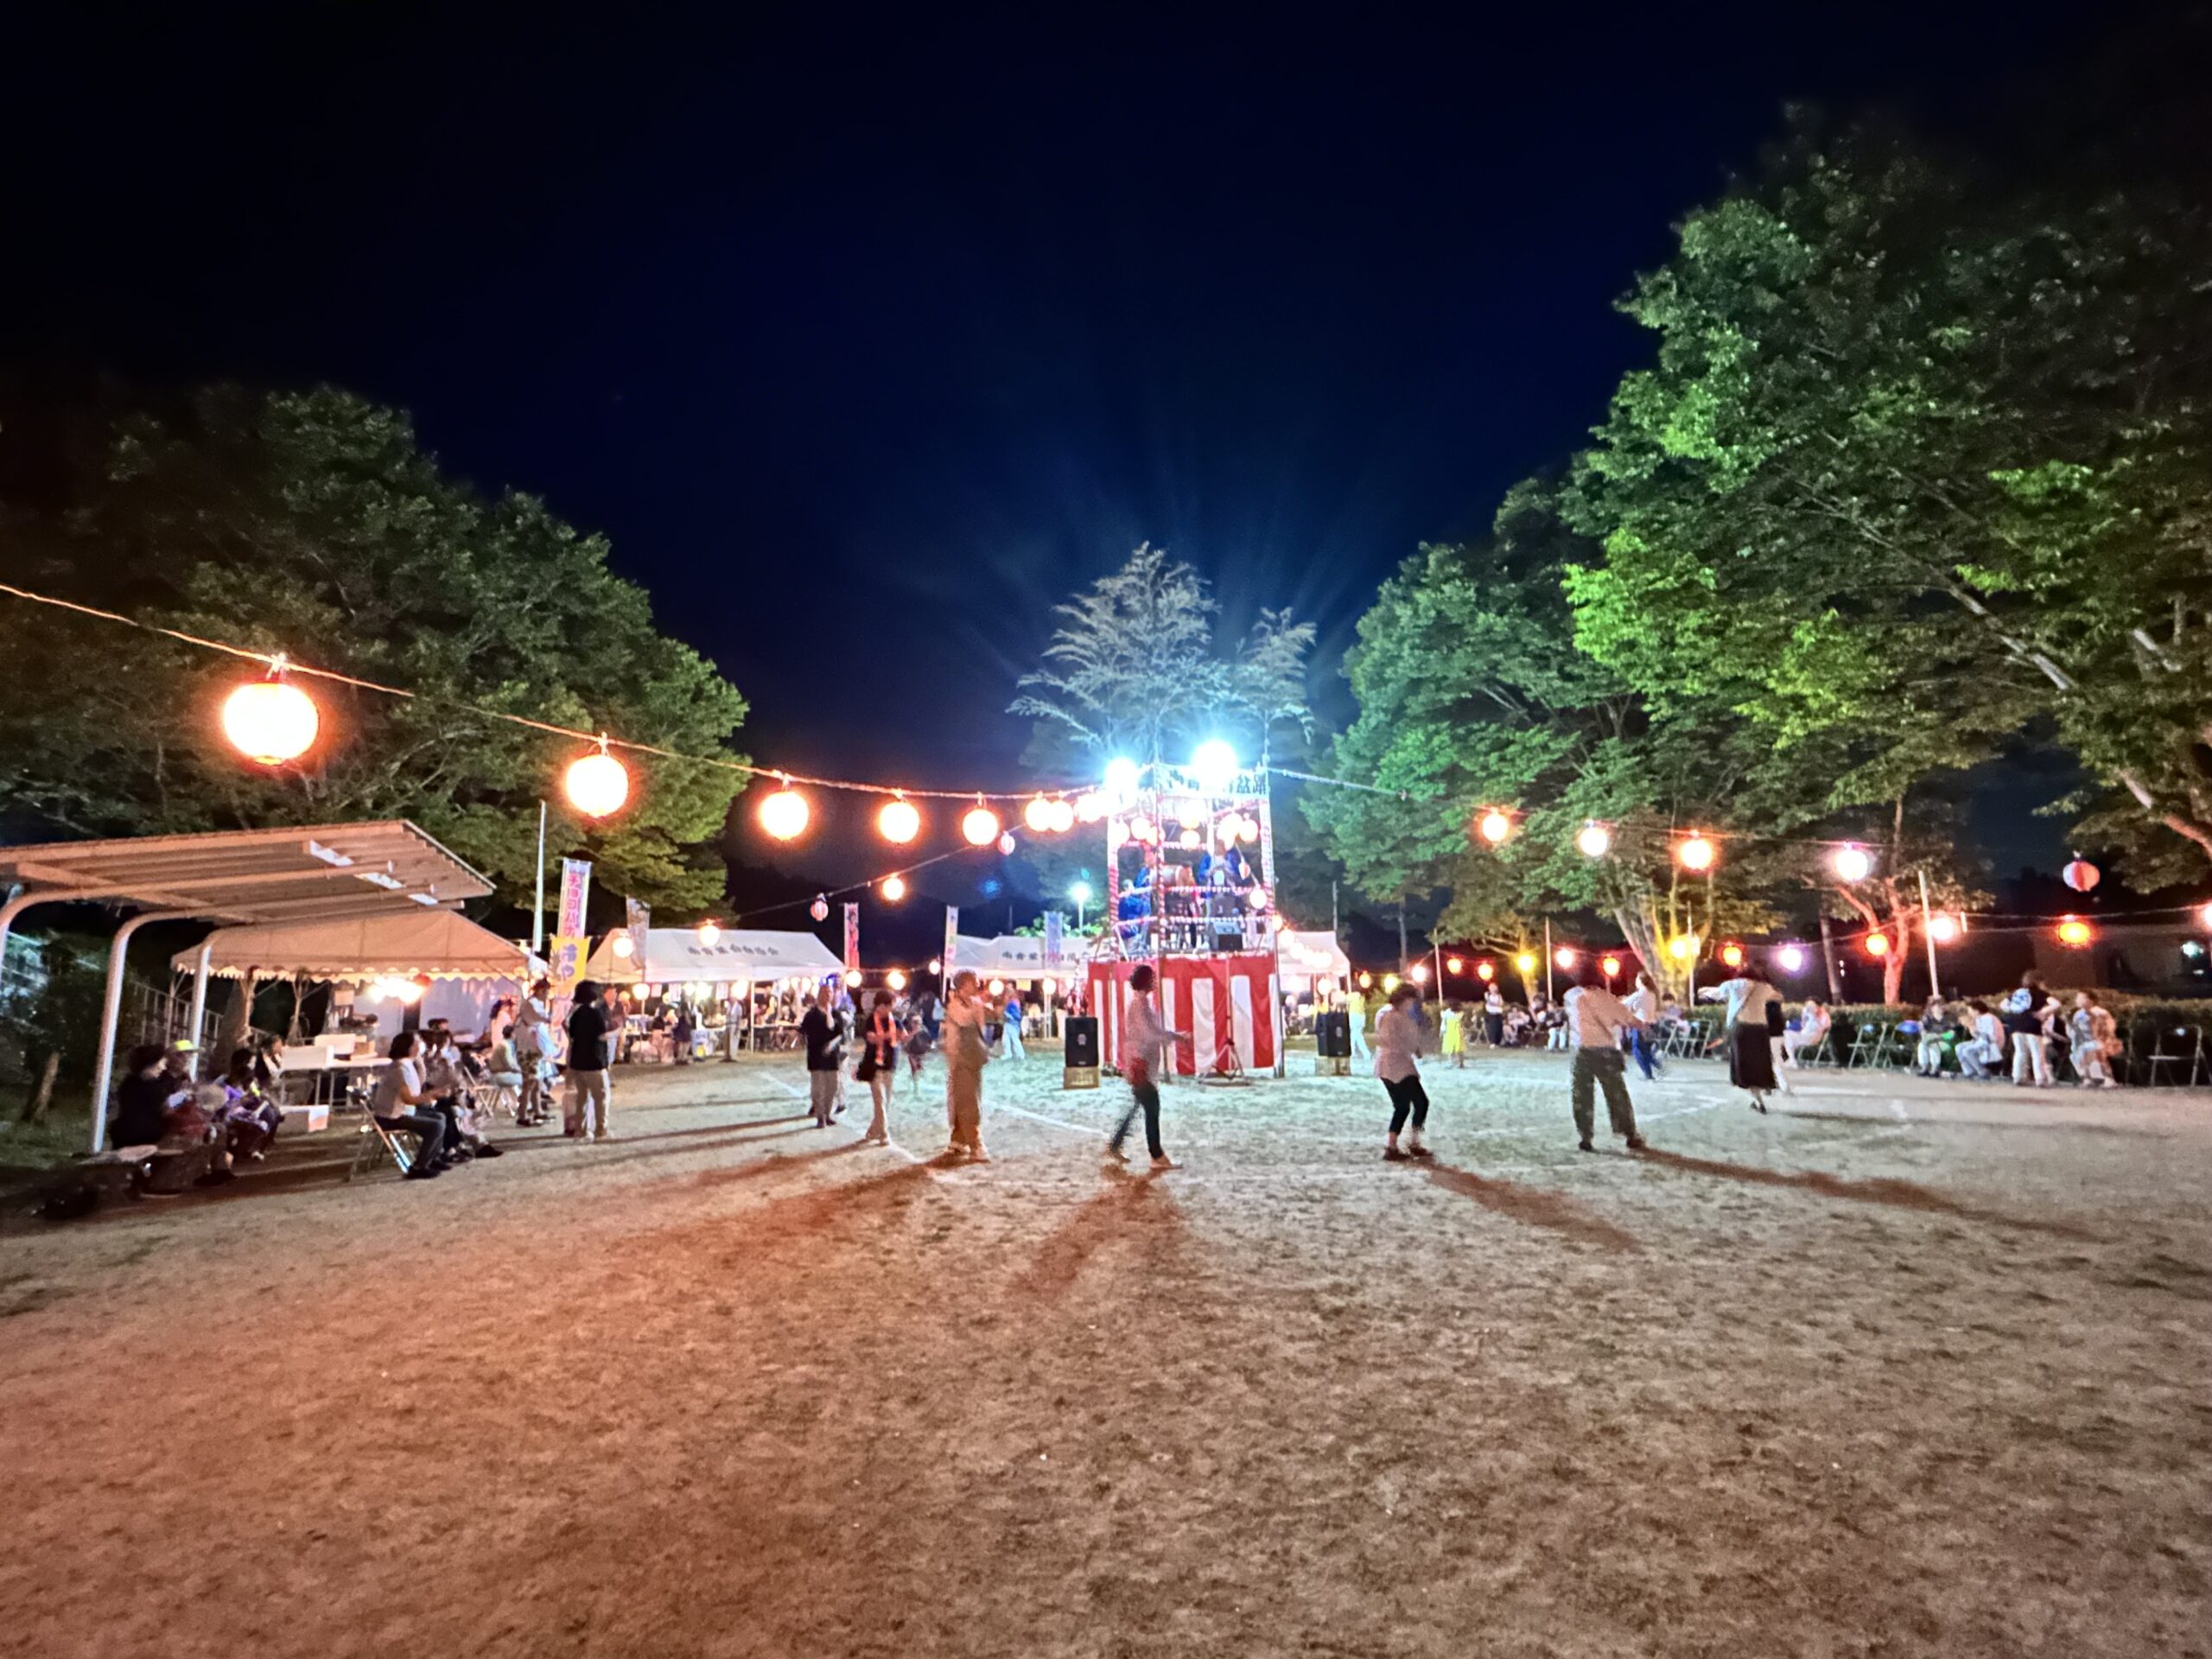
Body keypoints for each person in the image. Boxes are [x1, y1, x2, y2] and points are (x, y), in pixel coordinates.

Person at [1109, 963, 1185, 1169]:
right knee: (1152, 1107)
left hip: (1141, 1061)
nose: (1155, 982)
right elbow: (1149, 1034)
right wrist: (1173, 1037)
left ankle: (1116, 1145)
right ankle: (1156, 1155)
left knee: (1140, 1104)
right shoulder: (1139, 1006)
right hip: (1140, 1062)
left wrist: (1174, 1036)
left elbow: (1152, 1032)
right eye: (1152, 978)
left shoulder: (1141, 1004)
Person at [1563, 969, 1647, 1152]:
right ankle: (1630, 1134)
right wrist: (1644, 1024)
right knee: (1616, 1094)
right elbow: (1628, 1019)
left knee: (1581, 1095)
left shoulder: (1571, 996)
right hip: (1605, 1051)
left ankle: (1585, 1136)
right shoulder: (1607, 999)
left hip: (1581, 1051)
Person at [371, 1031, 448, 1178]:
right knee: (436, 1126)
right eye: (417, 1043)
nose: (421, 1046)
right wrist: (430, 1096)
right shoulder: (399, 1069)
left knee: (440, 1117)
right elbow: (408, 1099)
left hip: (401, 1112)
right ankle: (419, 1166)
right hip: (391, 1117)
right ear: (409, 1047)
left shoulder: (406, 1065)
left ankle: (433, 1159)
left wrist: (421, 1065)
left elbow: (417, 1087)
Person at [1374, 982, 1436, 1161]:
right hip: (1396, 1065)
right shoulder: (1392, 1016)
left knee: (1403, 1106)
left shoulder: (1391, 1015)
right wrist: (1412, 1047)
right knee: (1419, 1103)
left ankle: (1395, 1145)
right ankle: (1410, 1143)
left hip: (1391, 1064)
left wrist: (1415, 1048)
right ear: (1405, 999)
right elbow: (1392, 1039)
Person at [940, 970, 993, 1161]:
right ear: (963, 986)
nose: (977, 985)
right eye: (973, 982)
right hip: (960, 1059)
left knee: (966, 1098)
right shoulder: (955, 1004)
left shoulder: (973, 1003)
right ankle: (975, 1144)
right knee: (968, 1101)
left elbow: (983, 1023)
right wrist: (980, 1007)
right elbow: (964, 1019)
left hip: (973, 1057)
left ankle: (958, 1140)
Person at [1719, 962, 1784, 1113]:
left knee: (1745, 1067)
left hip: (1743, 1028)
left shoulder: (1736, 984)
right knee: (1760, 1063)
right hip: (1761, 1029)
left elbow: (1718, 992)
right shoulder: (1765, 987)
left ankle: (1757, 1100)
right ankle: (1764, 1088)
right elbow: (1779, 997)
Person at [563, 981, 614, 1140]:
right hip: (594, 1061)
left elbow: (571, 1034)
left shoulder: (576, 1014)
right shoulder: (595, 1014)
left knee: (582, 1099)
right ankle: (601, 1131)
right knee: (601, 1098)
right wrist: (615, 1032)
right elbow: (602, 1035)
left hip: (578, 1062)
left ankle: (581, 1131)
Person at [111, 1043, 184, 1147]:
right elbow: (165, 1107)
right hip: (142, 1141)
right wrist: (184, 1095)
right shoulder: (150, 1088)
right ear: (151, 1064)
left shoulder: (128, 1083)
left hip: (125, 1137)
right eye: (161, 1063)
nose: (163, 1068)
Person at [798, 983, 845, 1129]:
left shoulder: (835, 1014)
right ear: (819, 995)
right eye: (824, 992)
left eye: (830, 992)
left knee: (833, 1086)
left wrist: (832, 1045)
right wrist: (804, 1040)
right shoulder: (811, 1014)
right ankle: (820, 1116)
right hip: (816, 1056)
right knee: (818, 1088)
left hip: (832, 1056)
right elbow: (803, 1031)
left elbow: (840, 1033)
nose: (828, 995)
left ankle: (827, 1112)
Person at [512, 978, 555, 1125]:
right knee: (530, 1083)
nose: (547, 995)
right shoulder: (530, 1004)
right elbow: (542, 1018)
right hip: (528, 1051)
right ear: (541, 991)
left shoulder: (534, 1003)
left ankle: (538, 1112)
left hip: (535, 1050)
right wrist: (552, 1013)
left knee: (537, 1083)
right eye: (547, 992)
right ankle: (522, 1115)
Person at [860, 990, 900, 1144]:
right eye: (891, 1005)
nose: (893, 1008)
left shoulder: (894, 1020)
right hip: (874, 1065)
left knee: (886, 1102)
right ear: (882, 1005)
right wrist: (888, 1035)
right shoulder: (870, 1020)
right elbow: (871, 1039)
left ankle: (873, 1130)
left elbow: (902, 1037)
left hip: (890, 1064)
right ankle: (884, 1134)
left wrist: (911, 1033)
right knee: (879, 1100)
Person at [2007, 976, 2055, 1088]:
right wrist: (2042, 1012)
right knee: (2037, 1053)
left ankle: (2018, 1076)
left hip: (2016, 1024)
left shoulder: (2017, 993)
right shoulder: (2040, 994)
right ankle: (2040, 1079)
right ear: (2038, 982)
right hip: (2032, 1025)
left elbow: (2003, 1004)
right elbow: (2056, 1004)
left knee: (2020, 1051)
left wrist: (2016, 1011)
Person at [2069, 992, 2119, 1089]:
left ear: (2090, 1000)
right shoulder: (2078, 1015)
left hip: (2101, 1041)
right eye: (2078, 998)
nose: (2078, 1001)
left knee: (2097, 1049)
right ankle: (2087, 1078)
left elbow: (2110, 1027)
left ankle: (2109, 1078)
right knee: (2079, 1051)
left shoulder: (2100, 1012)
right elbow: (2075, 1031)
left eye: (2081, 998)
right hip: (2085, 1043)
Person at [1624, 972, 1663, 1081]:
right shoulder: (1652, 994)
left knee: (1637, 1050)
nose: (1635, 982)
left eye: (1637, 979)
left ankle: (1649, 1072)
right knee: (1645, 1050)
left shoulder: (1640, 994)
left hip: (1640, 1025)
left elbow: (1624, 1004)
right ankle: (1655, 1066)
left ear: (1641, 981)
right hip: (1651, 1025)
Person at [1955, 1001, 2005, 1077]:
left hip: (1992, 1044)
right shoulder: (1980, 1018)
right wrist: (1970, 1026)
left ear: (1977, 1011)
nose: (1969, 1013)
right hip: (1983, 1041)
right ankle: (1969, 1071)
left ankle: (1981, 1071)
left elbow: (1987, 1036)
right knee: (1959, 1047)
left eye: (1970, 1010)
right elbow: (1978, 1036)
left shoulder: (1987, 1018)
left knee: (1967, 1050)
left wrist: (1972, 1027)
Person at [1783, 998, 1830, 1068]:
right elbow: (1803, 1026)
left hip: (1812, 1037)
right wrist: (1804, 1017)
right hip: (1804, 1035)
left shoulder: (1823, 1016)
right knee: (1787, 1037)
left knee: (1787, 1037)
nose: (1809, 1008)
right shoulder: (1809, 1015)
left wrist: (1814, 1017)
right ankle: (1792, 1060)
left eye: (1811, 1006)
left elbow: (1822, 1028)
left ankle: (1792, 1060)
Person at [1913, 995, 1952, 1077]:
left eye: (1941, 1006)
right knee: (1922, 1045)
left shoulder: (1948, 1018)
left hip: (1944, 1041)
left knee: (1933, 1045)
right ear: (1932, 1008)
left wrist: (1940, 1036)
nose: (1939, 1008)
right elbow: (1923, 1032)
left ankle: (1935, 1068)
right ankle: (1924, 1067)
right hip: (1930, 1040)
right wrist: (1923, 1031)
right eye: (1936, 1006)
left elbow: (1951, 1034)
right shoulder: (1927, 1019)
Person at [1344, 982, 1370, 1060]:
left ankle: (1363, 1053)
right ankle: (1354, 1052)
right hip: (1361, 1016)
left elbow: (1344, 1000)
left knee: (1356, 1035)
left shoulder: (1352, 995)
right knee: (1355, 1035)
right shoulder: (1362, 997)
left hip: (1354, 1015)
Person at [1000, 986, 1027, 1061]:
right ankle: (1008, 1054)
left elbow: (1015, 1014)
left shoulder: (1014, 1001)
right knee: (1005, 1039)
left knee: (1015, 1040)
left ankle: (1021, 1054)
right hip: (1008, 1023)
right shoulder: (1010, 1001)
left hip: (1013, 1024)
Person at [1440, 1001, 1465, 1069]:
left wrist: (1442, 1031)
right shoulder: (1447, 1012)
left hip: (1457, 1031)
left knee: (1459, 1048)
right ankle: (1452, 1062)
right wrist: (1442, 1031)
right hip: (1450, 1031)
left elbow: (1459, 1020)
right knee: (1451, 1048)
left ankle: (1461, 1063)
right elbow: (1444, 1022)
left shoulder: (1460, 1013)